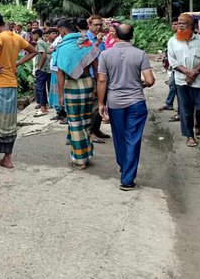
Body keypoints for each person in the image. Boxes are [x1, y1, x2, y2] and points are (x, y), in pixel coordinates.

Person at [97, 24, 155, 191]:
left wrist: (101, 103)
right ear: (132, 36)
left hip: (115, 103)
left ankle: (123, 165)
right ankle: (127, 179)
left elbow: (102, 81)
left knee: (119, 136)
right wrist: (138, 84)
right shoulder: (140, 54)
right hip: (136, 102)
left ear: (115, 35)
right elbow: (150, 81)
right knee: (133, 138)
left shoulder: (105, 54)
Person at [0, 11, 37, 169]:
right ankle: (7, 158)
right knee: (8, 121)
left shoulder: (0, 36)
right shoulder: (16, 36)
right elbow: (33, 51)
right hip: (11, 84)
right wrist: (17, 64)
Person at [55, 18, 100, 169]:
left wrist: (60, 95)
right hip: (87, 84)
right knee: (86, 120)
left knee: (75, 122)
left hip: (71, 86)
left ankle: (79, 159)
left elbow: (60, 74)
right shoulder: (86, 42)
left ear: (62, 30)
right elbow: (96, 66)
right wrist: (96, 87)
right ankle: (87, 153)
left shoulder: (62, 47)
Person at [167, 14, 200, 147]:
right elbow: (172, 61)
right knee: (185, 109)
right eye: (179, 22)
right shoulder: (172, 41)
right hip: (182, 81)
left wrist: (194, 73)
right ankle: (189, 136)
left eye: (184, 23)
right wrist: (187, 72)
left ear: (191, 25)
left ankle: (198, 124)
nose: (180, 25)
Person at [83, 16, 111, 143]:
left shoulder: (102, 39)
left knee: (102, 103)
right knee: (94, 104)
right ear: (89, 25)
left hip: (102, 75)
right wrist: (98, 42)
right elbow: (86, 56)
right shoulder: (85, 39)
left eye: (100, 24)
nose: (98, 27)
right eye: (95, 25)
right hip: (92, 76)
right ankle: (91, 132)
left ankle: (97, 129)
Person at [159, 19, 180, 116]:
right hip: (173, 66)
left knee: (178, 87)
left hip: (180, 67)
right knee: (172, 85)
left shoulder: (182, 38)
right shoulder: (173, 38)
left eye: (176, 24)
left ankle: (180, 108)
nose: (174, 26)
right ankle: (169, 103)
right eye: (173, 24)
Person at [48, 27, 65, 123]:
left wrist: (54, 49)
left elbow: (51, 49)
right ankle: (59, 113)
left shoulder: (64, 40)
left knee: (61, 91)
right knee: (55, 92)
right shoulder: (59, 39)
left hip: (60, 69)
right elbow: (49, 49)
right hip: (55, 69)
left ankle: (63, 113)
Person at [33, 29, 51, 117]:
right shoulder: (45, 43)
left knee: (40, 88)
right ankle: (45, 105)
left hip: (42, 69)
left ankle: (43, 108)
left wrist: (39, 67)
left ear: (37, 35)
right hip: (47, 68)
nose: (33, 37)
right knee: (44, 88)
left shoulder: (40, 42)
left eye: (34, 35)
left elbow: (43, 55)